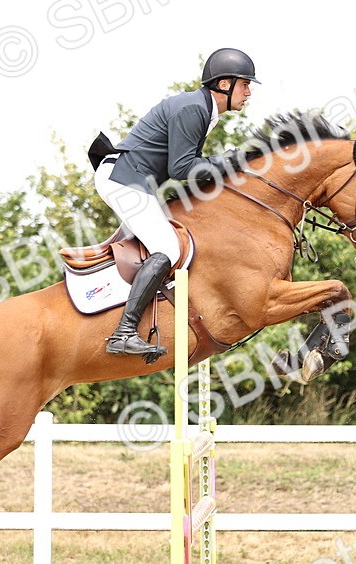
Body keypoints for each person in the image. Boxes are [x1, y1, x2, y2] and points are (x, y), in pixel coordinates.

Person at [93, 47, 258, 361]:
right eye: (245, 85)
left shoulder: (203, 109)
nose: (249, 93)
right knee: (167, 247)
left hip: (132, 179)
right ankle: (124, 333)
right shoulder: (194, 108)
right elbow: (181, 169)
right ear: (225, 84)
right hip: (124, 178)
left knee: (163, 243)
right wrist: (228, 160)